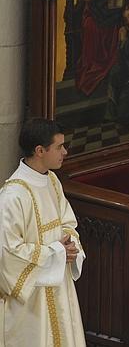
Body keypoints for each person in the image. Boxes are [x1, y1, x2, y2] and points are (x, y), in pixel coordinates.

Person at [0, 118, 86, 346]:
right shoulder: (12, 196)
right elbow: (8, 253)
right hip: (30, 301)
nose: (65, 152)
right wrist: (57, 253)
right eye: (59, 147)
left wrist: (71, 247)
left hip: (59, 286)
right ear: (39, 150)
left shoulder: (52, 181)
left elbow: (68, 222)